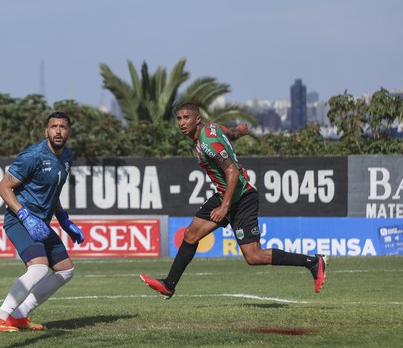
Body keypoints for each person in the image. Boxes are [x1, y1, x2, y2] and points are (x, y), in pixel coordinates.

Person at [140, 102, 327, 300]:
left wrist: (225, 206)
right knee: (191, 235)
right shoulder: (212, 129)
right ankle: (169, 285)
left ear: (197, 119)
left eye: (186, 118)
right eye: (179, 118)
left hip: (241, 197)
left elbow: (233, 171)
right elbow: (229, 134)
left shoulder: (207, 142)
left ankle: (312, 262)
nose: (182, 123)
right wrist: (239, 130)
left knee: (254, 256)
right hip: (225, 195)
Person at [0, 111, 85, 333]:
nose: (58, 131)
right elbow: (3, 187)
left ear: (69, 131)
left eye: (63, 127)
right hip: (19, 220)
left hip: (42, 223)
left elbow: (52, 191)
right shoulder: (33, 156)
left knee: (65, 271)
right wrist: (24, 216)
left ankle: (19, 316)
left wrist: (64, 219)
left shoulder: (66, 157)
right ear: (46, 131)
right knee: (38, 267)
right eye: (53, 126)